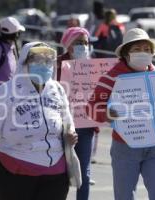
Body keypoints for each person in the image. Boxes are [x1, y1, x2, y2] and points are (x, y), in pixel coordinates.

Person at [0, 42, 78, 200]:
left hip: (56, 171)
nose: (44, 65)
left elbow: (66, 117)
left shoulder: (58, 89)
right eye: (37, 60)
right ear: (25, 62)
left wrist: (70, 132)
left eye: (47, 61)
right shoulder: (6, 90)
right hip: (15, 169)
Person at [87, 28, 155, 200]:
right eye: (137, 49)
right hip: (126, 147)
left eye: (147, 49)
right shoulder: (111, 78)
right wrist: (107, 113)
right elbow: (91, 108)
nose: (143, 53)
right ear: (126, 53)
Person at [57, 27, 99, 200]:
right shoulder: (57, 64)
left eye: (85, 42)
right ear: (68, 44)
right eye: (78, 42)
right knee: (60, 172)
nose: (83, 46)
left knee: (85, 173)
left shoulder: (94, 66)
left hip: (86, 125)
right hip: (61, 127)